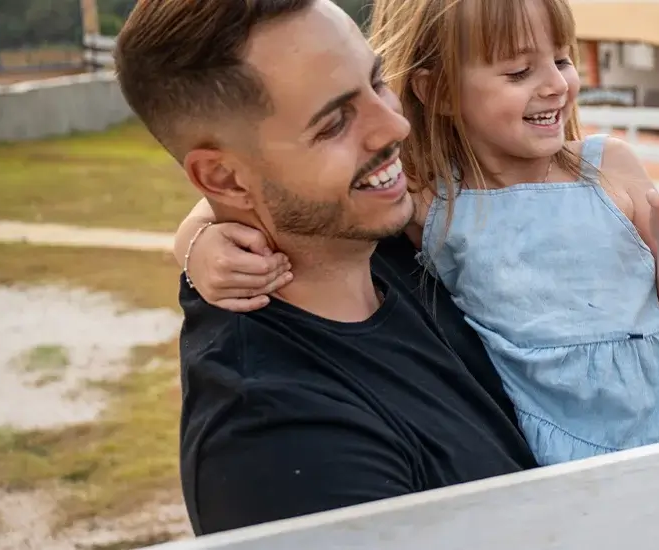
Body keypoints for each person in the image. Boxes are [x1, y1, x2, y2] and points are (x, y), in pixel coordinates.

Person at [174, 0, 659, 467]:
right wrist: (198, 244)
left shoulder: (608, 166)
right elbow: (248, 190)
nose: (555, 85)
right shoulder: (434, 196)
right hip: (556, 443)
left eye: (562, 59)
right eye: (519, 72)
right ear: (437, 92)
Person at [114, 0, 543, 534]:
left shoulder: (384, 233)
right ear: (225, 180)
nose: (395, 126)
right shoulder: (281, 444)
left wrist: (196, 234)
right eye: (334, 123)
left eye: (378, 81)